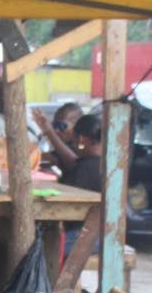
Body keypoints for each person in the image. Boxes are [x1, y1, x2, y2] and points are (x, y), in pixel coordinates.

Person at [62, 113, 104, 254]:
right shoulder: (108, 165)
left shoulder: (85, 168)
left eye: (74, 141)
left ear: (81, 139)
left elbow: (69, 211)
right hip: (104, 234)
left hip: (87, 237)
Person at [32, 102, 83, 180]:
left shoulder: (85, 146)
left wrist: (49, 132)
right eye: (54, 125)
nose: (56, 130)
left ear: (76, 125)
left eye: (61, 126)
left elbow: (76, 163)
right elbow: (41, 158)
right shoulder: (65, 145)